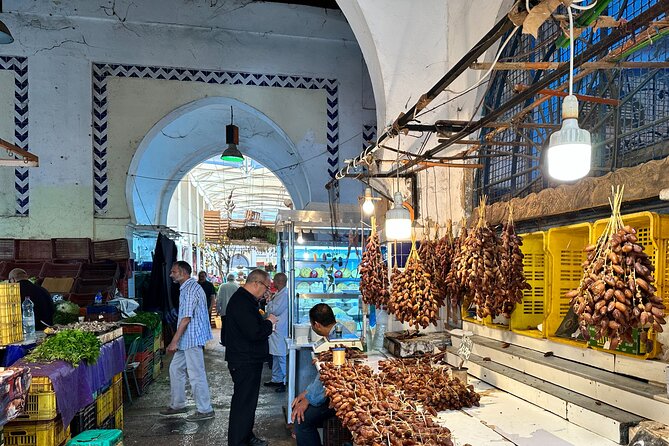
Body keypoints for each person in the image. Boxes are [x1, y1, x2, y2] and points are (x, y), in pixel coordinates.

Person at [225, 269, 279, 446]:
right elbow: (254, 332)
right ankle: (238, 441)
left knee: (248, 403)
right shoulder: (241, 302)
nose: (266, 291)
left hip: (249, 359)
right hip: (244, 360)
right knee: (243, 403)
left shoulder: (247, 300)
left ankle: (246, 436)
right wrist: (269, 322)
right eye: (266, 287)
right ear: (256, 283)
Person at [160, 261, 215, 421]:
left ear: (183, 273)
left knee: (196, 374)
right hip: (187, 338)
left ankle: (205, 410)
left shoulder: (190, 289)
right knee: (175, 369)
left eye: (174, 272)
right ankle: (178, 404)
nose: (171, 275)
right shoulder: (186, 288)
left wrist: (173, 341)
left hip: (192, 337)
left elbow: (185, 319)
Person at [291, 304, 352, 446]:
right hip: (332, 391)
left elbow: (330, 377)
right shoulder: (337, 332)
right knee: (299, 409)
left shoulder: (338, 338)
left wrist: (308, 399)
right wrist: (307, 392)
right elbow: (322, 377)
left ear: (316, 324)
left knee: (302, 421)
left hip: (340, 396)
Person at [264, 272, 288, 392]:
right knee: (276, 356)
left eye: (274, 280)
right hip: (276, 329)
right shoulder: (280, 293)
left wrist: (269, 302)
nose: (273, 282)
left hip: (281, 329)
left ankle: (284, 381)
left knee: (281, 356)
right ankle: (276, 379)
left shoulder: (284, 295)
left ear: (279, 281)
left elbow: (275, 310)